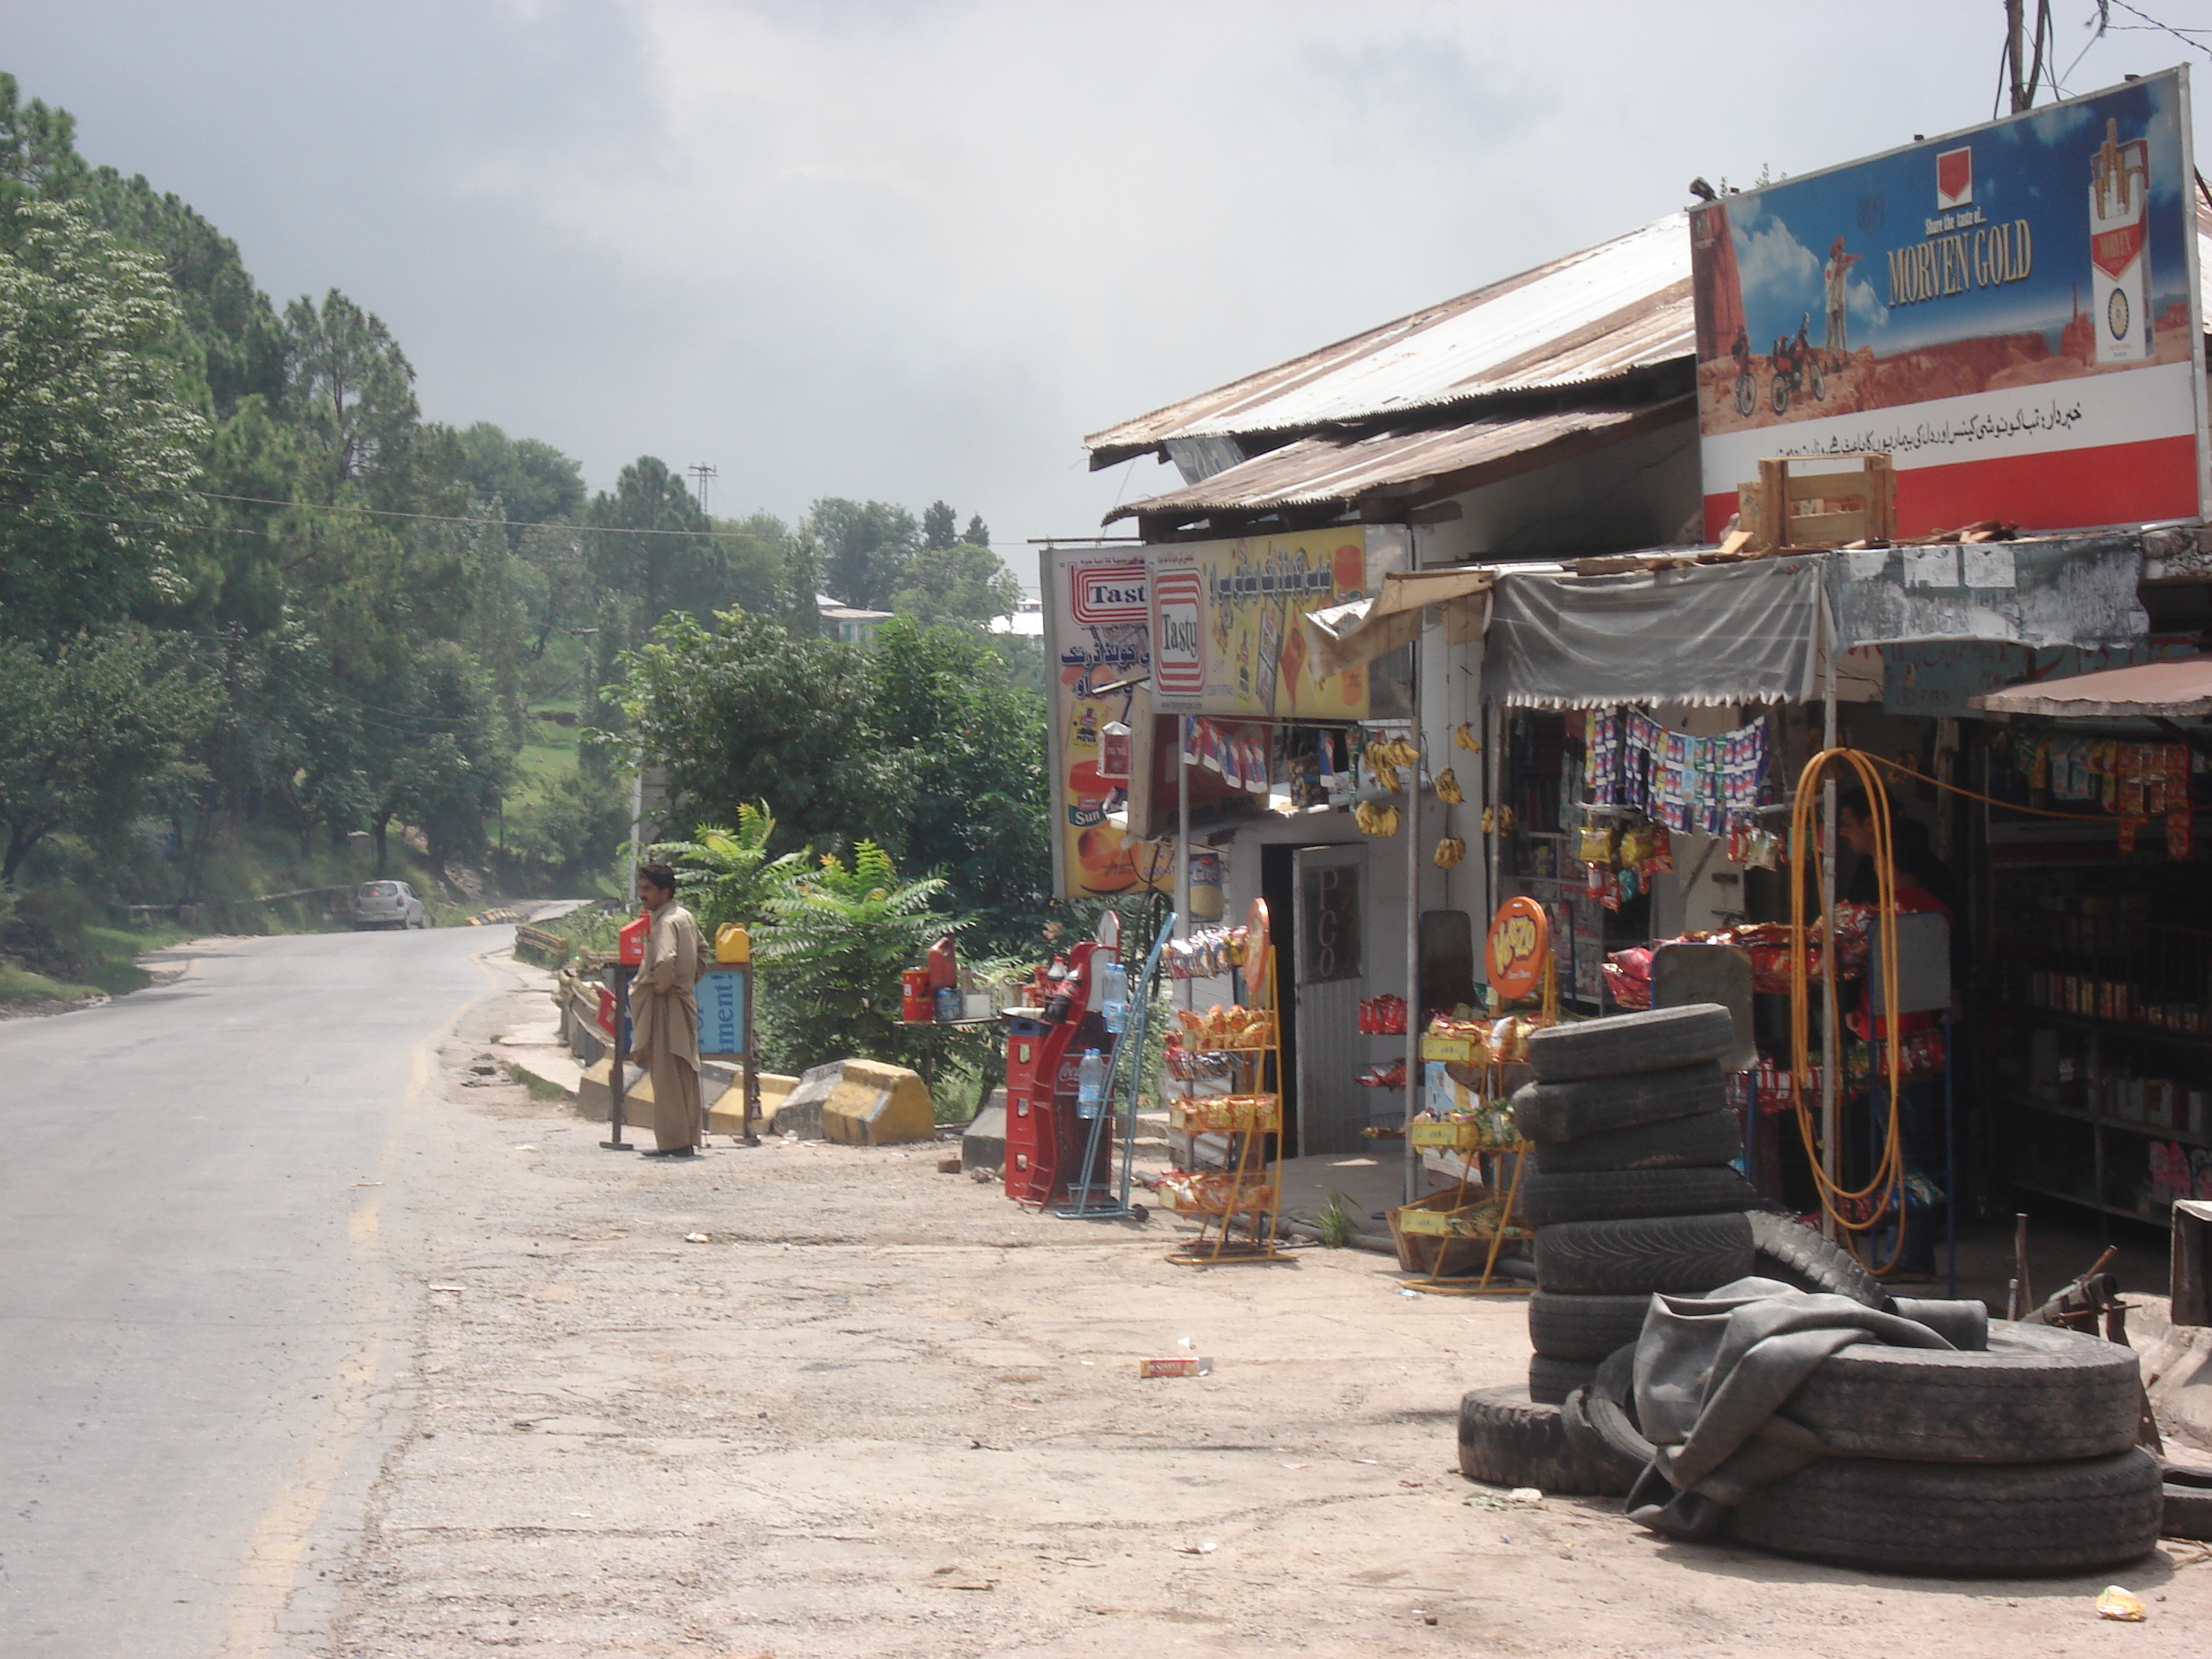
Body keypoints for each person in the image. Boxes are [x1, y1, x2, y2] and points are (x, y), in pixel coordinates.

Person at [627, 861, 707, 1158]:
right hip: (683, 1001)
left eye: (647, 889)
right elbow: (703, 952)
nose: (642, 895)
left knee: (667, 1075)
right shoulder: (684, 917)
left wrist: (660, 988)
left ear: (664, 892)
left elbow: (664, 961)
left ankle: (674, 1143)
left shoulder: (664, 923)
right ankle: (685, 1137)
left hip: (666, 1005)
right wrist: (687, 982)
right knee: (684, 1070)